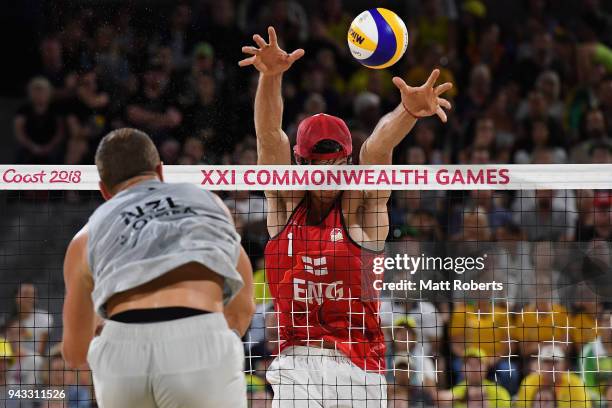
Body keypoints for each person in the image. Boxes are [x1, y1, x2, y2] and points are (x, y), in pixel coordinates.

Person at [239, 26, 452, 408]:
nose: (326, 173)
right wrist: (271, 79)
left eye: (335, 163)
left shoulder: (364, 208)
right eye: (317, 164)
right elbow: (269, 138)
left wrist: (406, 112)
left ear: (346, 160)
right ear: (300, 163)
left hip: (361, 368)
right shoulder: (285, 204)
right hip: (295, 362)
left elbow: (378, 147)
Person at [62, 128, 255, 407]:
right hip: (198, 340)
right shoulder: (208, 202)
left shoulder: (86, 235)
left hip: (121, 356)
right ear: (160, 170)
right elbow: (241, 311)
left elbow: (75, 353)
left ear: (104, 189)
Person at [515, 345, 591, 408]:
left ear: (564, 365)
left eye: (555, 362)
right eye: (547, 362)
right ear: (540, 365)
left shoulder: (575, 383)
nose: (551, 366)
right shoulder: (529, 382)